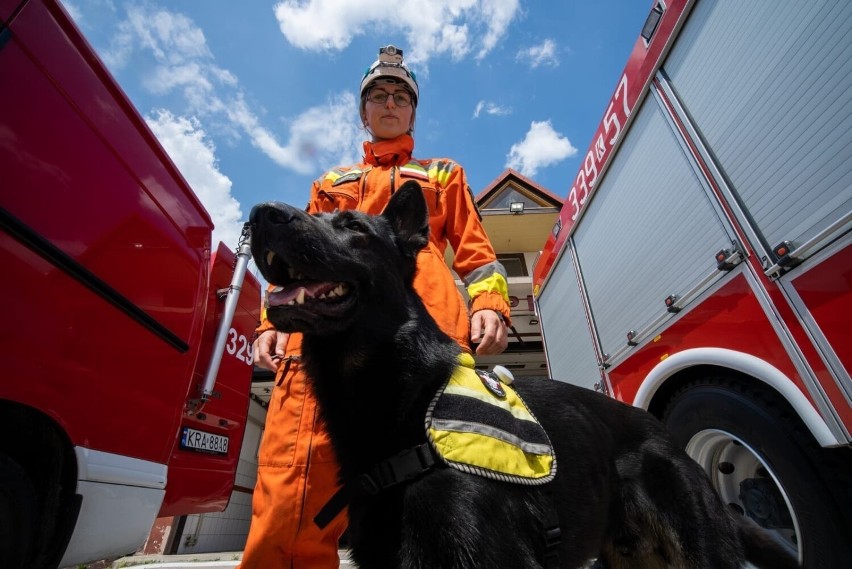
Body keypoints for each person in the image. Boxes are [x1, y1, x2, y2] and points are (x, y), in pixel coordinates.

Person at [238, 44, 512, 569]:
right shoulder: (329, 184)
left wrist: (491, 304)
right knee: (293, 492)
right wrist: (272, 322)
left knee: (438, 499)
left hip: (422, 349)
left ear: (412, 111)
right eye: (379, 96)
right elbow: (295, 261)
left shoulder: (442, 175)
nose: (390, 103)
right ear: (363, 112)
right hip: (322, 345)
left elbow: (478, 257)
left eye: (401, 96)